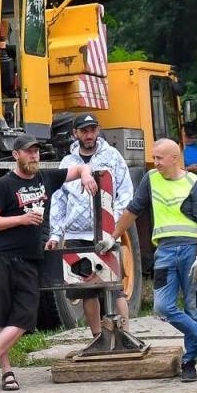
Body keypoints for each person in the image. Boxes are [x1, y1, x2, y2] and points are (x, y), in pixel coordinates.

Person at [0, 133, 95, 393]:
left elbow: (80, 165)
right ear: (16, 155)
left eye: (36, 151)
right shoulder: (4, 185)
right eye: (28, 152)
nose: (34, 155)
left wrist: (86, 174)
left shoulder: (45, 178)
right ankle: (7, 373)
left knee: (25, 317)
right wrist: (20, 220)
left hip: (29, 259)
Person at [111, 139, 197, 382]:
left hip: (192, 250)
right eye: (155, 157)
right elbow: (133, 210)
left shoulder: (196, 184)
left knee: (193, 307)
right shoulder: (150, 179)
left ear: (175, 158)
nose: (156, 162)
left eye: (160, 157)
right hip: (164, 250)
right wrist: (113, 237)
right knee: (162, 307)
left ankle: (189, 362)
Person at [48, 114, 133, 336]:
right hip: (77, 235)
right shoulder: (68, 163)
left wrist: (114, 223)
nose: (89, 135)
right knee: (87, 289)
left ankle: (125, 334)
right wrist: (56, 234)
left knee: (115, 288)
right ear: (75, 133)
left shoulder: (112, 157)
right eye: (84, 131)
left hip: (106, 233)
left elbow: (125, 192)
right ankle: (96, 337)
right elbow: (58, 200)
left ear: (98, 130)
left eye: (93, 130)